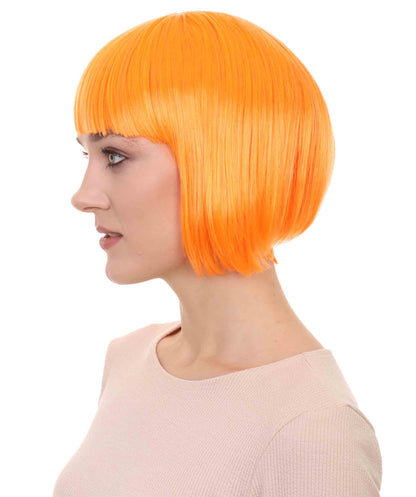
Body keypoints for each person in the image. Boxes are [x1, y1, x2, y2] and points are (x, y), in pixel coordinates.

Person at [53, 10, 382, 496]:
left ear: (220, 160)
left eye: (115, 156)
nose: (83, 196)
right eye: (88, 156)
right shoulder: (128, 360)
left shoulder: (314, 428)